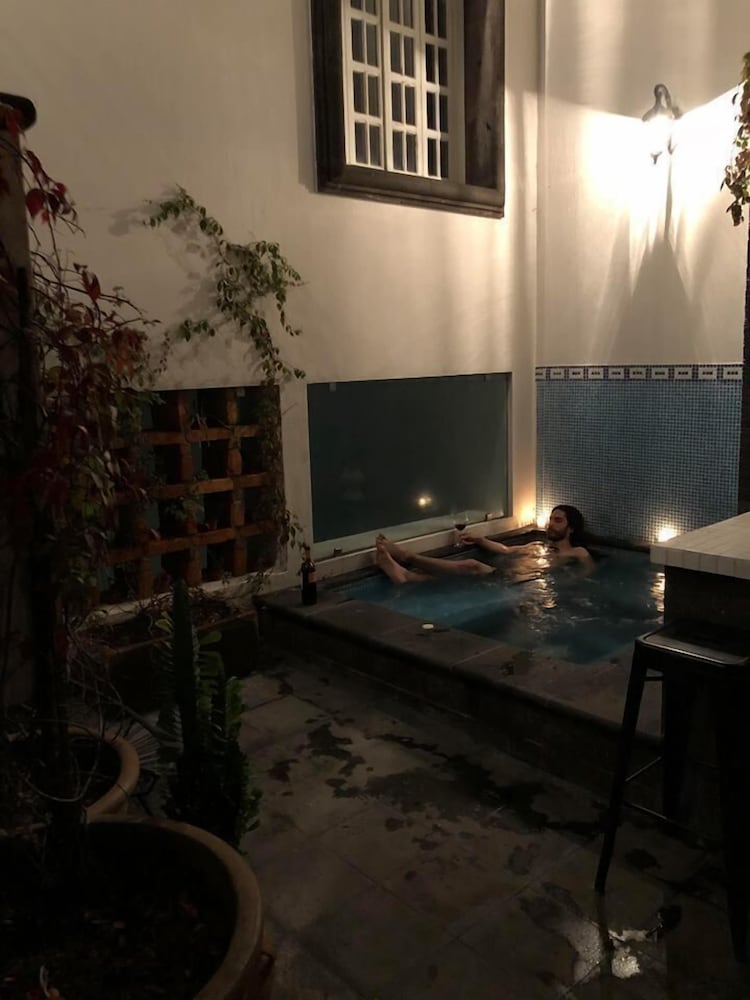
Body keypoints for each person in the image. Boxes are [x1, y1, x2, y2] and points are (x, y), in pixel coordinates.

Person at [374, 504, 593, 585]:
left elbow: (589, 574)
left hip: (521, 583)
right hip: (508, 577)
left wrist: (568, 582)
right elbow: (506, 550)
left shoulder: (578, 552)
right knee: (456, 579)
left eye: (558, 520)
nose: (550, 524)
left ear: (571, 528)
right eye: (551, 519)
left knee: (472, 565)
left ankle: (407, 556)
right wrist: (480, 539)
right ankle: (406, 576)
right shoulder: (537, 545)